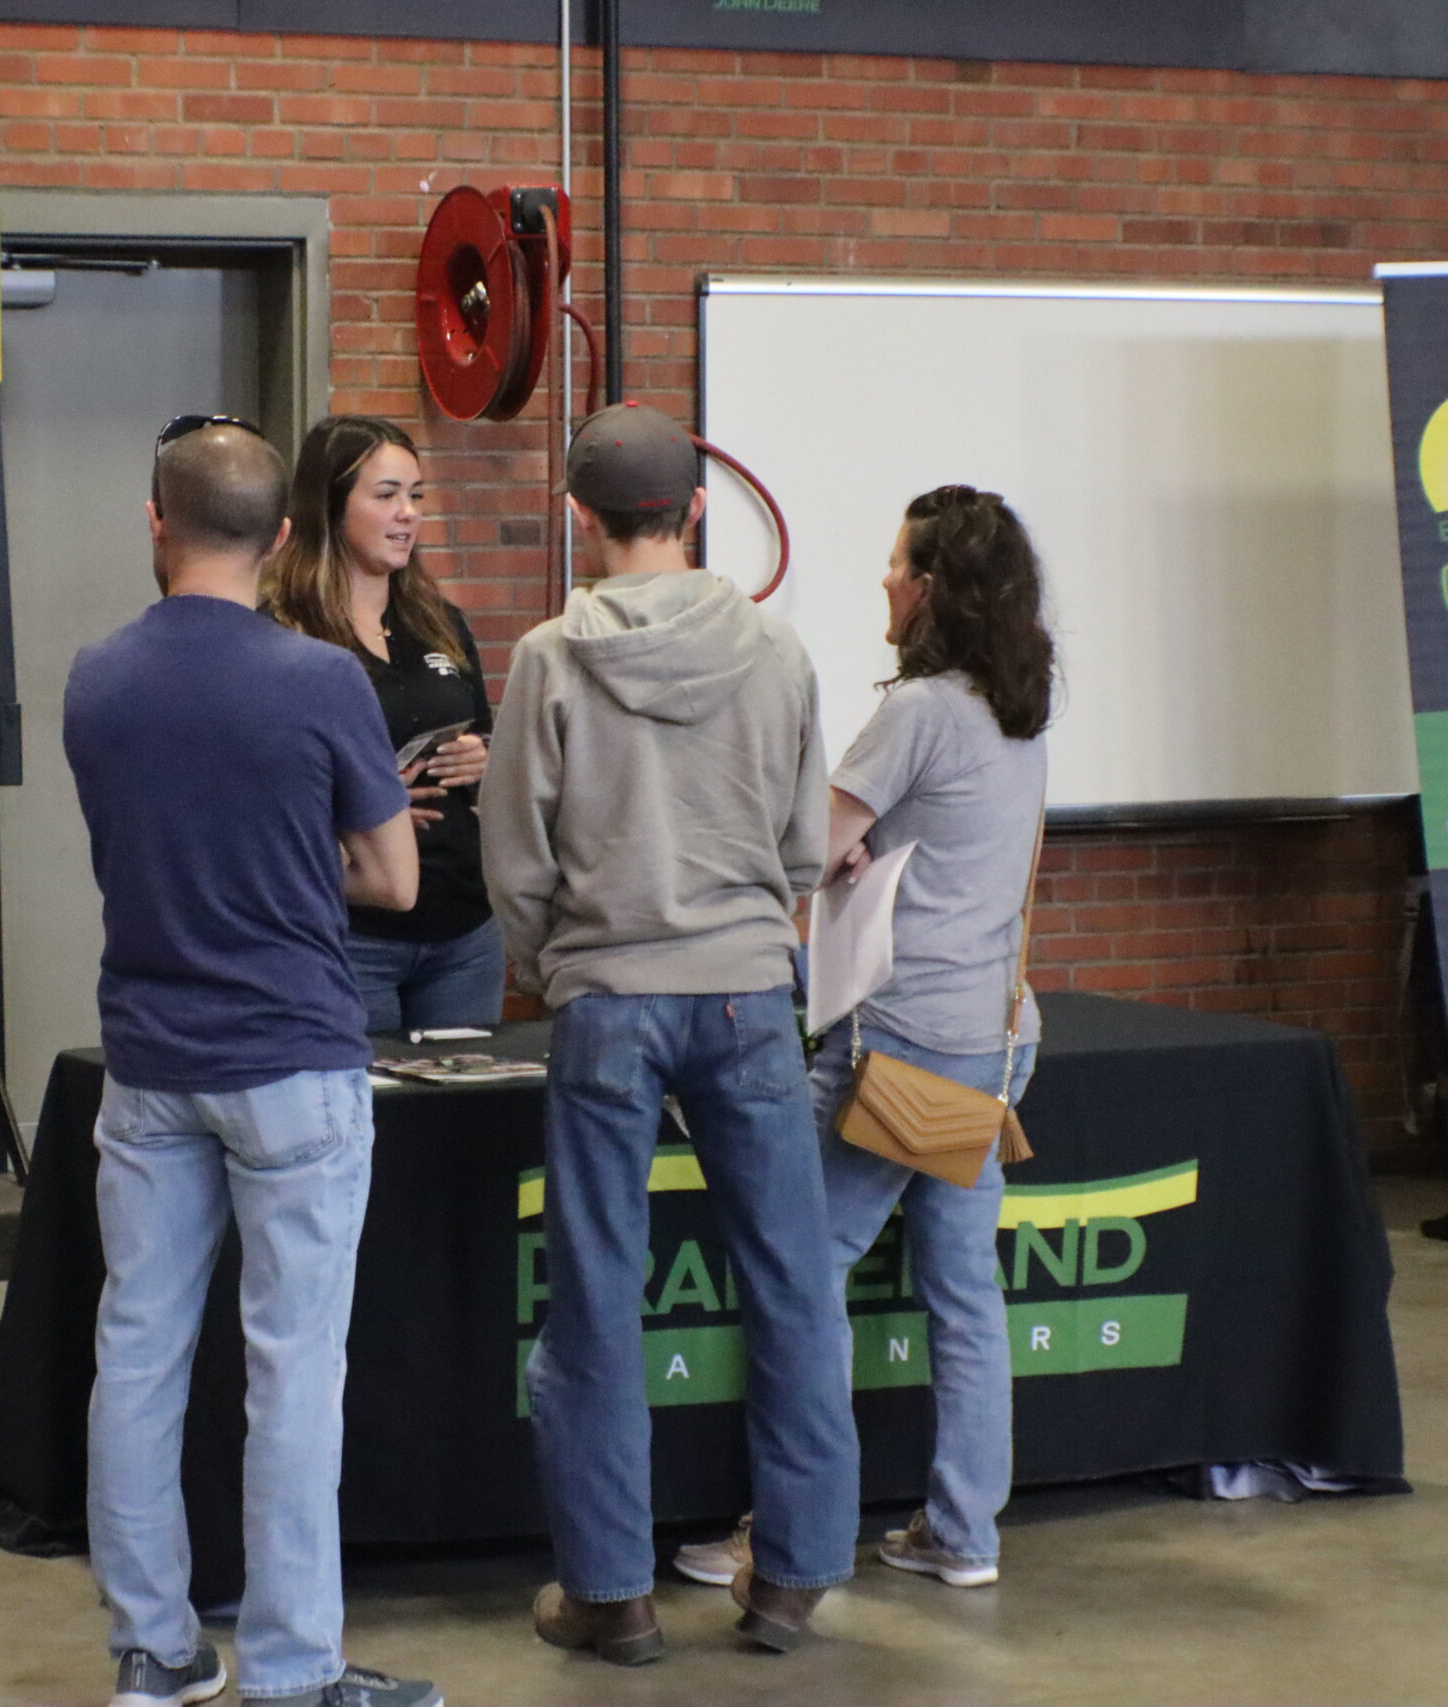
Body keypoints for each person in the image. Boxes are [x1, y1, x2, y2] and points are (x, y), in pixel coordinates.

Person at [62, 414, 439, 1707]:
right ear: (284, 536)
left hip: (150, 1058)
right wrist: (298, 856)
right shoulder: (320, 681)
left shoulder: (95, 679)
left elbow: (149, 846)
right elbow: (392, 875)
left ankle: (153, 1651)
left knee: (140, 1353)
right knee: (292, 1374)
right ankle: (291, 1670)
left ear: (156, 522)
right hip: (292, 1060)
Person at [481, 403, 859, 1662]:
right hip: (752, 989)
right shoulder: (779, 650)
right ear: (695, 511)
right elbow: (808, 846)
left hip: (605, 995)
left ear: (581, 520)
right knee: (794, 1283)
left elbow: (516, 856)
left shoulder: (547, 656)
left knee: (594, 1298)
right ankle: (795, 1578)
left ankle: (611, 1596)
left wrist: (552, 959)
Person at [672, 484, 1055, 1596]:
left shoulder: (921, 710)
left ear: (932, 587)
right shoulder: (1017, 705)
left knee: (804, 1272)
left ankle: (788, 1537)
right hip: (991, 1033)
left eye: (896, 563)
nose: (882, 579)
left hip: (898, 1048)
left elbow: (810, 843)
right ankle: (962, 1532)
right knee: (963, 1292)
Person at [266, 416, 500, 1034]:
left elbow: (488, 736)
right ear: (331, 503)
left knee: (460, 1126)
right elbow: (258, 785)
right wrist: (359, 800)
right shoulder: (285, 630)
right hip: (351, 935)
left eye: (416, 496)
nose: (408, 514)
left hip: (462, 929)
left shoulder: (438, 619)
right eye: (387, 495)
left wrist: (483, 758)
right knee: (367, 1124)